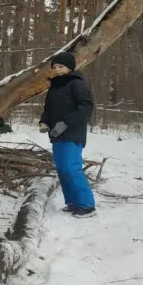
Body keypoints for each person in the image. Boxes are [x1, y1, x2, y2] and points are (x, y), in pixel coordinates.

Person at [40, 52, 96, 218]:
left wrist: (65, 123)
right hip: (56, 135)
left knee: (71, 168)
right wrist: (44, 122)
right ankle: (72, 202)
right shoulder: (54, 86)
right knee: (62, 169)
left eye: (61, 66)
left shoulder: (77, 83)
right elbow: (48, 109)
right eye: (54, 67)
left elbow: (86, 107)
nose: (57, 70)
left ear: (70, 67)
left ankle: (87, 205)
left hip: (73, 133)